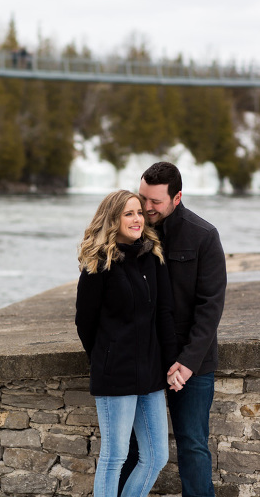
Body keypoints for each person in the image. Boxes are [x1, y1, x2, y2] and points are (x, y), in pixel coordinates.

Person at [132, 162, 227, 496]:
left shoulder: (203, 235)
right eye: (143, 197)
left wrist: (187, 362)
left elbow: (210, 306)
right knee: (132, 449)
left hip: (193, 365)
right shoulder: (134, 230)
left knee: (192, 445)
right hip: (145, 359)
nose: (146, 207)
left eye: (155, 201)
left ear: (177, 197)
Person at [75, 190, 179, 497]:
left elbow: (163, 314)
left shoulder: (152, 256)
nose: (137, 219)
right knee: (114, 457)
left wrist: (170, 361)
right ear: (113, 219)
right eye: (128, 214)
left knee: (156, 457)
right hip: (116, 373)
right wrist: (106, 356)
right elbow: (85, 323)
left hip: (151, 373)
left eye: (139, 212)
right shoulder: (99, 265)